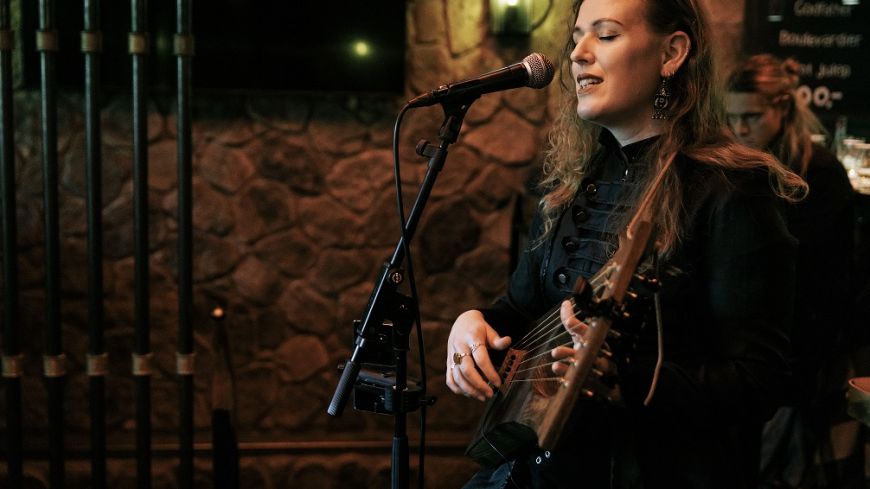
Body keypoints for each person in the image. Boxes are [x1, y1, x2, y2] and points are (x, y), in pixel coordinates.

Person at [445, 0, 808, 487]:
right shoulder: (569, 186)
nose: (578, 53)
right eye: (577, 36)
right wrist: (473, 324)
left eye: (606, 35)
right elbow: (519, 308)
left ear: (672, 53)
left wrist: (622, 379)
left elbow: (759, 381)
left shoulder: (732, 190)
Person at [726, 54, 857, 488]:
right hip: (749, 342)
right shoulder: (739, 166)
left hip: (799, 346)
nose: (740, 129)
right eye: (732, 118)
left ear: (782, 109)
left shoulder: (818, 173)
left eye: (751, 117)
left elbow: (826, 284)